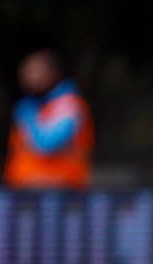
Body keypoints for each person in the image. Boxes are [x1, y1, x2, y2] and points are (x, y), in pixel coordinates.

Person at [5, 49, 93, 189]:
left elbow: (47, 144)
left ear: (53, 73)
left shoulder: (67, 104)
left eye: (34, 71)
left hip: (59, 188)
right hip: (27, 188)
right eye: (25, 72)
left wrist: (28, 116)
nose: (28, 78)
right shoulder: (37, 105)